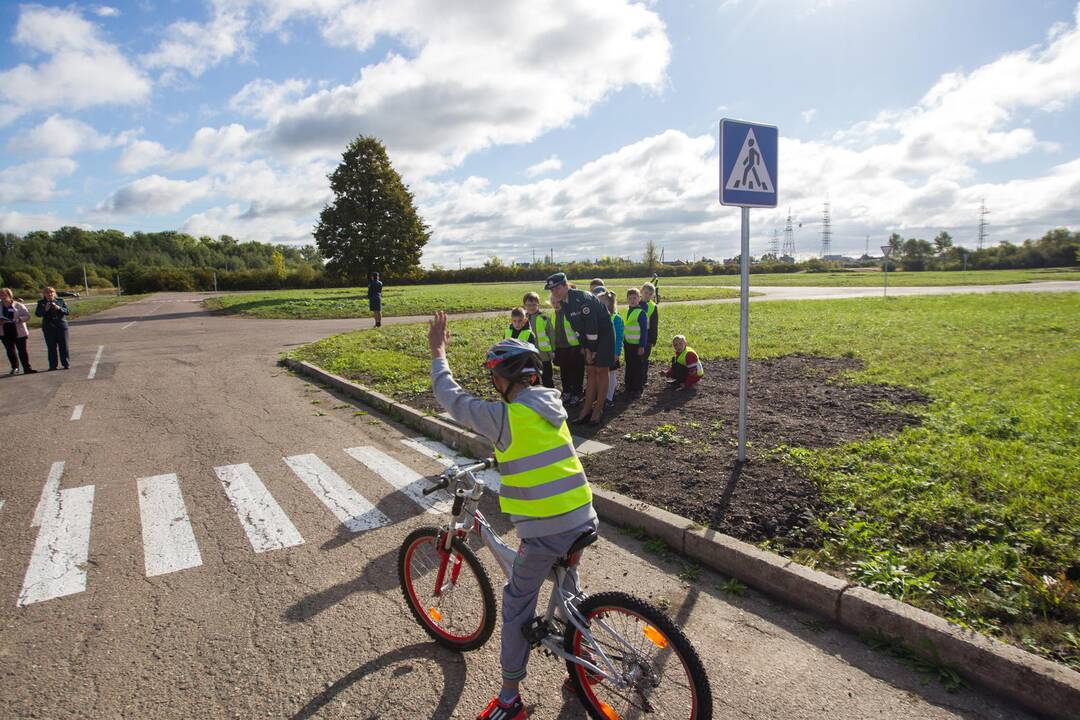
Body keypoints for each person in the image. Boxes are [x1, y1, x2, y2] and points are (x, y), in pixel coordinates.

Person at [427, 313, 598, 720]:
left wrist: (438, 352)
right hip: (583, 516)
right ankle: (584, 660)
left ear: (503, 380)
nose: (492, 387)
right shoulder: (549, 407)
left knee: (517, 603)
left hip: (547, 531)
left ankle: (509, 700)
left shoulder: (504, 417)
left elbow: (451, 398)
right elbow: (531, 452)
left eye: (494, 380)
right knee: (566, 588)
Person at [545, 272, 614, 425]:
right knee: (590, 372)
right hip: (590, 337)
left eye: (557, 289)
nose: (554, 293)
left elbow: (592, 327)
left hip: (603, 335)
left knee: (601, 370)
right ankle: (586, 409)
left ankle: (598, 409)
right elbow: (578, 329)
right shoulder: (564, 303)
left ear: (565, 285)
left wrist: (593, 350)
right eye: (551, 290)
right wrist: (586, 348)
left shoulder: (582, 299)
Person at [551, 296, 584, 407]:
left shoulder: (570, 313)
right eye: (553, 302)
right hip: (560, 348)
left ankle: (577, 393)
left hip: (574, 346)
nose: (556, 304)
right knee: (564, 372)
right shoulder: (552, 315)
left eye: (558, 302)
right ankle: (566, 392)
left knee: (576, 372)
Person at [1, 288, 37, 375]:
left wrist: (19, 319)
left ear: (10, 296)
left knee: (22, 350)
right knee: (10, 351)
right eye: (0, 295)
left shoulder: (18, 305)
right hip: (4, 331)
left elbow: (27, 316)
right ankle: (15, 368)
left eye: (4, 295)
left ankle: (27, 368)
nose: (2, 297)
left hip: (18, 330)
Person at [523, 292, 555, 389]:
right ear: (524, 305)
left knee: (547, 379)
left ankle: (550, 398)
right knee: (533, 380)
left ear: (538, 304)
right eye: (528, 305)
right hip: (530, 356)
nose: (531, 307)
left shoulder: (544, 318)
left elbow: (551, 335)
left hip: (544, 355)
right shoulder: (523, 319)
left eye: (534, 304)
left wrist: (553, 350)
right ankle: (536, 399)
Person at [622, 287, 650, 397]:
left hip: (637, 345)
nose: (632, 300)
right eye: (630, 298)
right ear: (627, 300)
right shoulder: (629, 311)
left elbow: (644, 331)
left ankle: (638, 388)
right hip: (628, 344)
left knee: (638, 367)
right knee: (629, 365)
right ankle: (629, 386)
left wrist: (642, 346)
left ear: (639, 299)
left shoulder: (641, 313)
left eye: (635, 298)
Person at [35, 287, 70, 371]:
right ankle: (53, 365)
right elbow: (38, 314)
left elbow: (67, 311)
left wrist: (59, 308)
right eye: (47, 293)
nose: (49, 294)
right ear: (44, 294)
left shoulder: (60, 300)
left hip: (61, 326)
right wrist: (45, 309)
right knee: (51, 347)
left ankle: (66, 363)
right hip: (48, 327)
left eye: (51, 292)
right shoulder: (41, 303)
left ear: (54, 293)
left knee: (64, 346)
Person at [602, 291, 622, 410]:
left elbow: (619, 337)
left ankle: (609, 398)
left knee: (612, 374)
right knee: (604, 374)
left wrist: (617, 353)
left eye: (602, 301)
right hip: (602, 352)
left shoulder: (616, 318)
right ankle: (602, 397)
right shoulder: (601, 316)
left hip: (612, 352)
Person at [641, 280, 660, 386]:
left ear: (652, 295)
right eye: (645, 293)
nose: (647, 295)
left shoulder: (653, 307)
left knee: (644, 359)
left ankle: (643, 379)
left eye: (650, 294)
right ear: (641, 291)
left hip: (647, 337)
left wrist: (653, 339)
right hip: (635, 336)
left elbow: (654, 325)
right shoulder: (635, 302)